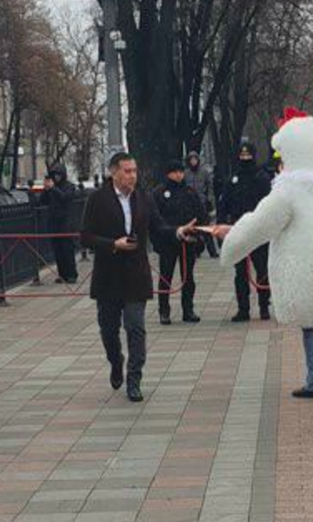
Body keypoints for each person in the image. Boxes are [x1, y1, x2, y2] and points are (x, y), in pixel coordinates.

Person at [214, 110, 313, 399]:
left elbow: (258, 225)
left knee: (312, 324)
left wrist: (231, 244)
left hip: (305, 268)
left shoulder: (289, 190)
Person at [81, 153, 197, 402]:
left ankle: (134, 379)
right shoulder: (98, 199)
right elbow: (86, 237)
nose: (132, 175)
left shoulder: (144, 198)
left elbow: (158, 227)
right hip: (108, 277)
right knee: (109, 330)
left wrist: (177, 231)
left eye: (134, 170)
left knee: (136, 328)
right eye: (126, 171)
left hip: (136, 275)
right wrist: (113, 243)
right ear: (114, 172)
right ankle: (116, 360)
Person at [217, 142, 272, 322]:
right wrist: (221, 225)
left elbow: (270, 205)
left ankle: (264, 306)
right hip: (238, 230)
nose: (245, 158)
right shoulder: (233, 178)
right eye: (242, 156)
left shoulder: (262, 177)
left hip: (258, 230)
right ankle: (243, 308)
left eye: (248, 156)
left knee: (262, 270)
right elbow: (223, 204)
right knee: (240, 272)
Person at [152, 160, 208, 325]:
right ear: (168, 173)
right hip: (168, 241)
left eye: (180, 172)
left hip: (188, 241)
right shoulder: (159, 192)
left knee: (188, 277)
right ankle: (164, 311)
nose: (178, 175)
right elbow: (155, 220)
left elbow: (200, 214)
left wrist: (198, 234)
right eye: (174, 172)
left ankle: (188, 309)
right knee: (165, 276)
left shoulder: (190, 192)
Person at [40, 164, 79, 284]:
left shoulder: (69, 186)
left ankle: (71, 274)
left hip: (65, 223)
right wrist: (46, 190)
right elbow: (43, 201)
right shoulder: (52, 188)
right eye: (54, 175)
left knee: (67, 249)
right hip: (54, 222)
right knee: (57, 250)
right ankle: (62, 274)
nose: (56, 177)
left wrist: (53, 189)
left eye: (58, 175)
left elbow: (65, 198)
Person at [185, 151, 219, 258]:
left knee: (206, 229)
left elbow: (209, 187)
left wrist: (209, 199)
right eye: (191, 160)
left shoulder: (204, 172)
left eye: (195, 159)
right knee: (192, 229)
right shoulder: (186, 173)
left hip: (202, 203)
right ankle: (195, 250)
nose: (193, 162)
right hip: (190, 204)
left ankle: (212, 251)